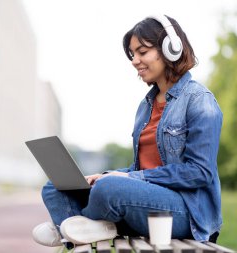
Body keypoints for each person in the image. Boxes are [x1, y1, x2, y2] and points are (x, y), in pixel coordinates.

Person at [32, 14, 223, 248]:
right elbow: (142, 168)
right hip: (144, 202)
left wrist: (125, 179)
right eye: (133, 54)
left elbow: (199, 173)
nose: (135, 60)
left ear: (171, 49)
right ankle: (80, 228)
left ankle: (68, 226)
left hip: (186, 213)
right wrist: (106, 175)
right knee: (57, 186)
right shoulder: (146, 106)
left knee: (109, 189)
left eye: (142, 52)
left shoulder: (200, 101)